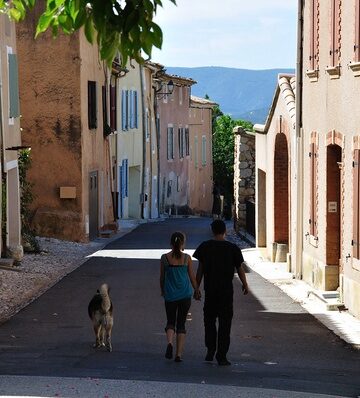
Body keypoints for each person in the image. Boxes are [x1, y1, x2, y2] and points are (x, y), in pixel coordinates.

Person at [193, 219, 249, 366]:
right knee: (225, 323)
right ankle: (222, 355)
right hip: (226, 292)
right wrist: (245, 284)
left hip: (210, 291)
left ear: (212, 231)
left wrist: (196, 287)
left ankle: (210, 350)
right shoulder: (232, 248)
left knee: (209, 321)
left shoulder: (205, 247)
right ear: (225, 231)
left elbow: (200, 270)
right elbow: (240, 268)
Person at [160, 231, 201, 362]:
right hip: (185, 295)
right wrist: (197, 289)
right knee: (181, 324)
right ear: (182, 243)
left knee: (170, 321)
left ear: (171, 243)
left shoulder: (164, 258)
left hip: (170, 295)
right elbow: (192, 276)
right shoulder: (187, 258)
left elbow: (162, 277)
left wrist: (163, 290)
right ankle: (178, 354)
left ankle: (170, 343)